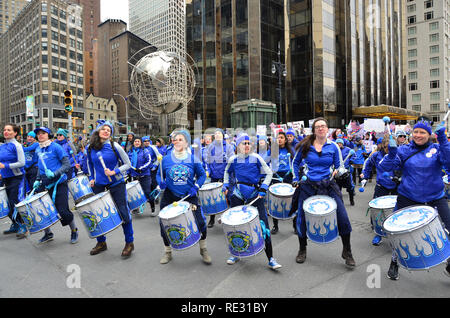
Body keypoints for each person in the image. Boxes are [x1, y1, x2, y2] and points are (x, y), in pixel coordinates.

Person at [379, 119, 450, 280]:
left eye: (422, 132)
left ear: (429, 134)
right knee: (398, 234)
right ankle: (395, 262)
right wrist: (391, 154)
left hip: (435, 198)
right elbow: (386, 167)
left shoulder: (437, 148)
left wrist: (443, 140)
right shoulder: (404, 150)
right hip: (408, 197)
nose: (418, 135)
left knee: (448, 229)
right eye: (416, 132)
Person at [291, 118, 355, 268]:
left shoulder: (333, 147)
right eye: (318, 126)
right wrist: (295, 177)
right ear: (314, 130)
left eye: (323, 126)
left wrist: (340, 172)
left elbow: (339, 166)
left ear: (327, 129)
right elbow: (295, 162)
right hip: (308, 185)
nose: (321, 128)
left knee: (343, 217)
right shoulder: (305, 146)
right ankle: (302, 249)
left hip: (328, 185)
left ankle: (347, 250)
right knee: (301, 218)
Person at [223, 133, 282, 270]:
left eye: (249, 143)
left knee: (263, 226)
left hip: (255, 195)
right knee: (234, 225)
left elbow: (269, 173)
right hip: (238, 195)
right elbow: (227, 172)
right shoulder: (233, 159)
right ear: (238, 146)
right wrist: (226, 185)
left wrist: (264, 188)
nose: (247, 145)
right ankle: (236, 254)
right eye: (244, 143)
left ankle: (271, 258)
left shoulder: (256, 158)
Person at [156, 129, 211, 265]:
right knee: (164, 224)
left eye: (181, 139)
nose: (177, 141)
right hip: (169, 196)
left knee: (200, 222)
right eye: (175, 139)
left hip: (189, 196)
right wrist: (160, 183)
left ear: (186, 143)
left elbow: (202, 175)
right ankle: (168, 251)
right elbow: (158, 174)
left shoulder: (193, 159)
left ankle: (203, 248)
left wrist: (196, 186)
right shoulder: (166, 158)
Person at [87, 120, 135, 258]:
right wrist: (91, 178)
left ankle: (129, 243)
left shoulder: (115, 146)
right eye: (104, 129)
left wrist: (115, 172)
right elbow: (89, 164)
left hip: (116, 184)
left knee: (123, 212)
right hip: (99, 185)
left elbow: (128, 164)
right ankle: (101, 243)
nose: (107, 131)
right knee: (98, 214)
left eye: (109, 130)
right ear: (98, 131)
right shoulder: (90, 148)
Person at [32, 127, 79, 244]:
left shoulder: (56, 147)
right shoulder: (39, 149)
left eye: (43, 133)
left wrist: (55, 173)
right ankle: (48, 234)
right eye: (38, 134)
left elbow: (67, 165)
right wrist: (38, 179)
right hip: (44, 183)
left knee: (63, 210)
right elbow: (40, 167)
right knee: (43, 210)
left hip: (59, 182)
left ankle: (74, 230)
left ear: (48, 135)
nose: (40, 135)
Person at [360, 136, 398, 246]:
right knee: (377, 211)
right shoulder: (376, 155)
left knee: (396, 211)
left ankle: (395, 235)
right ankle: (378, 233)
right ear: (382, 146)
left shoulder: (399, 154)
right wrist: (365, 176)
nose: (388, 150)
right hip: (381, 185)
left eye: (391, 147)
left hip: (396, 185)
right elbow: (368, 164)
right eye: (386, 147)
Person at [0, 124, 28, 238]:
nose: (6, 132)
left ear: (15, 133)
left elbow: (22, 163)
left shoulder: (17, 146)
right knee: (6, 203)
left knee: (14, 201)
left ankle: (23, 225)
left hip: (17, 177)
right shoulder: (2, 146)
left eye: (9, 130)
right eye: (5, 130)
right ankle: (15, 224)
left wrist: (5, 166)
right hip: (5, 178)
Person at [205, 128, 235, 228]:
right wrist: (208, 170)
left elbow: (233, 160)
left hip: (226, 176)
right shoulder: (210, 147)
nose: (217, 135)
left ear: (223, 136)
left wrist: (228, 158)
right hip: (214, 176)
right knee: (213, 198)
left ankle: (230, 218)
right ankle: (212, 219)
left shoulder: (229, 147)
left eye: (219, 133)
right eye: (216, 134)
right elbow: (207, 161)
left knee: (229, 197)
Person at [270, 131, 297, 234]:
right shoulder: (273, 150)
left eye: (281, 137)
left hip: (288, 176)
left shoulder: (291, 149)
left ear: (285, 140)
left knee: (292, 200)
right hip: (276, 176)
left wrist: (294, 172)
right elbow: (265, 161)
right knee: (275, 200)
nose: (279, 139)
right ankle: (275, 226)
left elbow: (297, 161)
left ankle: (295, 226)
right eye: (278, 137)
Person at [128, 137, 152, 213]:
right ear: (133, 143)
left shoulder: (145, 151)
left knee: (147, 192)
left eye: (138, 141)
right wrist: (128, 172)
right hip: (134, 175)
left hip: (144, 175)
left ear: (141, 143)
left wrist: (141, 168)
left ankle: (152, 206)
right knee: (135, 193)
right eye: (135, 141)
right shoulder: (130, 152)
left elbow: (149, 161)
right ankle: (136, 208)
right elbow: (127, 163)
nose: (137, 142)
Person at [142, 136, 161, 215]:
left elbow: (159, 157)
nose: (147, 142)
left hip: (153, 169)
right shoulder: (141, 149)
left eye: (148, 141)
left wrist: (155, 165)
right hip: (144, 170)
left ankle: (155, 197)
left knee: (153, 183)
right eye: (145, 141)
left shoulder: (152, 148)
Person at [335, 139, 356, 206]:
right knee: (338, 188)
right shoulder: (335, 150)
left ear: (342, 143)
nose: (339, 144)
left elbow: (354, 155)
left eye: (340, 143)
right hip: (338, 171)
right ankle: (340, 202)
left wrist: (351, 160)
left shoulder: (348, 149)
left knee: (350, 187)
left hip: (346, 170)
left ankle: (351, 200)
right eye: (337, 143)